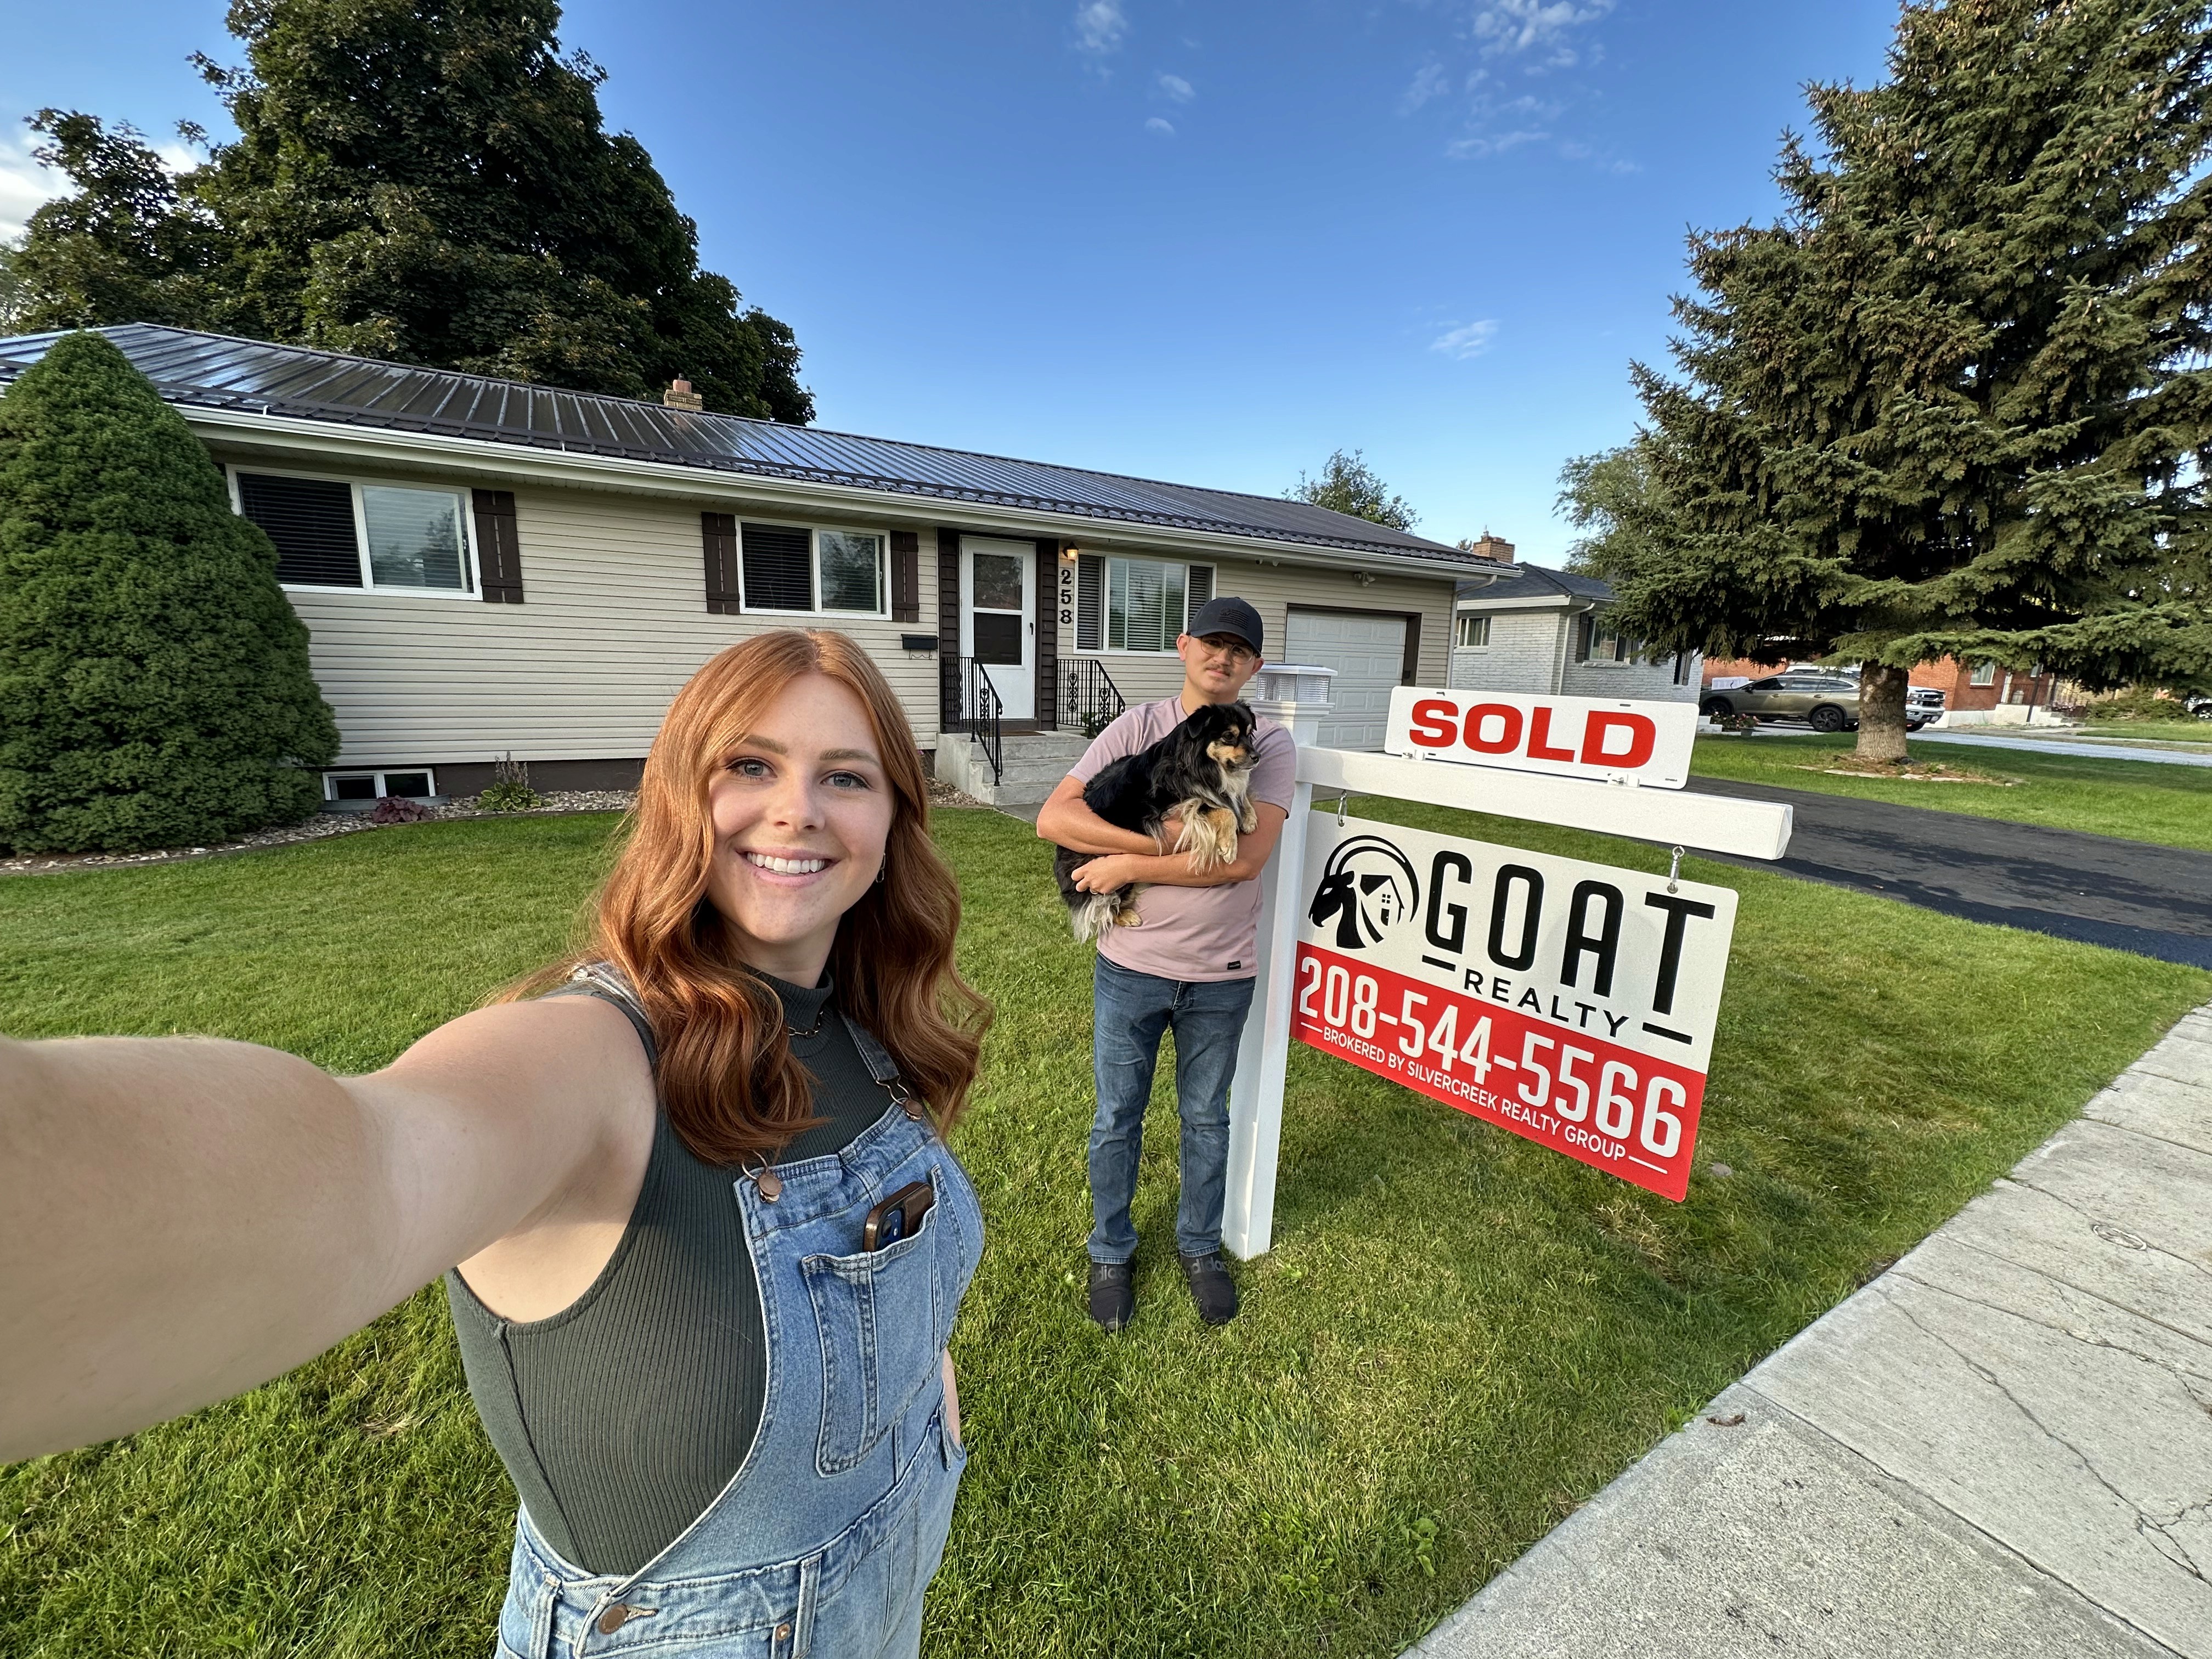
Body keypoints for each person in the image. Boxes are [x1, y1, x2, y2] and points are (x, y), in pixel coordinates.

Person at [0, 629, 991, 1658]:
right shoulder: (591, 1057)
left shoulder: (863, 1031)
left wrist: (926, 1398)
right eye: (749, 765)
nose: (798, 809)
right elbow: (371, 1166)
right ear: (677, 798)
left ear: (891, 824)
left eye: (846, 776)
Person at [1034, 596, 1295, 1331]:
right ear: (1183, 647)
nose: (1224, 658)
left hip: (1222, 972)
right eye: (1211, 643)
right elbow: (1056, 818)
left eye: (1239, 651)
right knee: (1117, 1118)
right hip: (1133, 964)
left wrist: (1125, 861)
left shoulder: (1267, 743)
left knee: (1206, 1119)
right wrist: (1132, 854)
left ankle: (1199, 1247)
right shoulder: (1139, 727)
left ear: (1255, 666)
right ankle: (1111, 1250)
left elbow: (1244, 862)